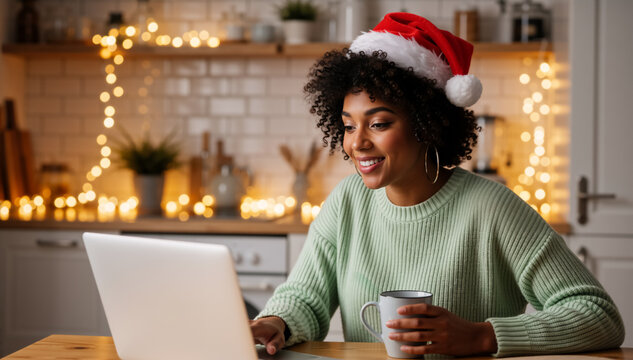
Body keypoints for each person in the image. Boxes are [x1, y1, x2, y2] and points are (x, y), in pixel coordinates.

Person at [250, 12, 624, 357]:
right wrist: (277, 322)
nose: (357, 142)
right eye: (349, 125)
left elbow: (598, 315)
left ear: (427, 124)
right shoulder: (347, 202)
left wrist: (483, 336)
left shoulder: (491, 208)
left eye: (379, 124)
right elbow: (305, 297)